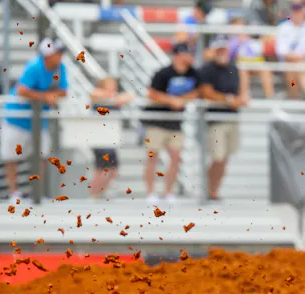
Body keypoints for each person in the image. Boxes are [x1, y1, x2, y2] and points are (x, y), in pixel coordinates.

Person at [0, 38, 67, 204]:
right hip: (17, 118)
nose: (60, 56)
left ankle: (36, 193)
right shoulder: (34, 66)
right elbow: (22, 90)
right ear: (48, 55)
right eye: (57, 53)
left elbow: (64, 91)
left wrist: (49, 96)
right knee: (11, 157)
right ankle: (13, 193)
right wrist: (45, 97)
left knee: (41, 156)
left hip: (39, 119)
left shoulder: (60, 68)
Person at [144, 42, 199, 205]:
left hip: (176, 123)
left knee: (176, 158)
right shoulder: (164, 73)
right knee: (152, 157)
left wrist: (182, 100)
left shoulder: (193, 73)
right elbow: (152, 93)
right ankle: (150, 192)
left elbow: (199, 91)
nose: (191, 57)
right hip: (157, 121)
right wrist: (170, 100)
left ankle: (168, 191)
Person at [198, 36, 249, 201]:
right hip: (215, 120)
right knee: (218, 158)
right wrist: (228, 100)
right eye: (219, 50)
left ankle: (214, 191)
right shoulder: (207, 69)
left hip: (231, 118)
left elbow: (241, 92)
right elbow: (206, 92)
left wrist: (239, 99)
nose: (222, 53)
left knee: (224, 158)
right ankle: (209, 190)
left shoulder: (234, 68)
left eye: (224, 49)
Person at [89, 77, 134, 199]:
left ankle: (99, 193)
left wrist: (115, 98)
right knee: (100, 168)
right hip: (99, 137)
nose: (113, 87)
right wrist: (113, 97)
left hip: (110, 138)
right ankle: (94, 194)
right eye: (110, 84)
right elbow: (94, 94)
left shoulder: (115, 98)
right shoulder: (99, 96)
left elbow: (129, 97)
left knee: (113, 170)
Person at [275, 1, 305, 99]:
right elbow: (281, 51)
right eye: (294, 9)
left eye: (299, 9)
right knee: (294, 67)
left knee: (299, 66)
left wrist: (297, 58)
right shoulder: (283, 27)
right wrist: (296, 58)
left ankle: (300, 97)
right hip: (290, 64)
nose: (297, 12)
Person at [229, 16, 274, 99]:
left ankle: (270, 97)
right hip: (241, 64)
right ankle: (244, 96)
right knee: (242, 70)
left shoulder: (251, 36)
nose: (239, 28)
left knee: (266, 69)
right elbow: (231, 54)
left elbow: (259, 49)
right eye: (236, 25)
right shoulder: (232, 40)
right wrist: (239, 42)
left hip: (255, 62)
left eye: (240, 25)